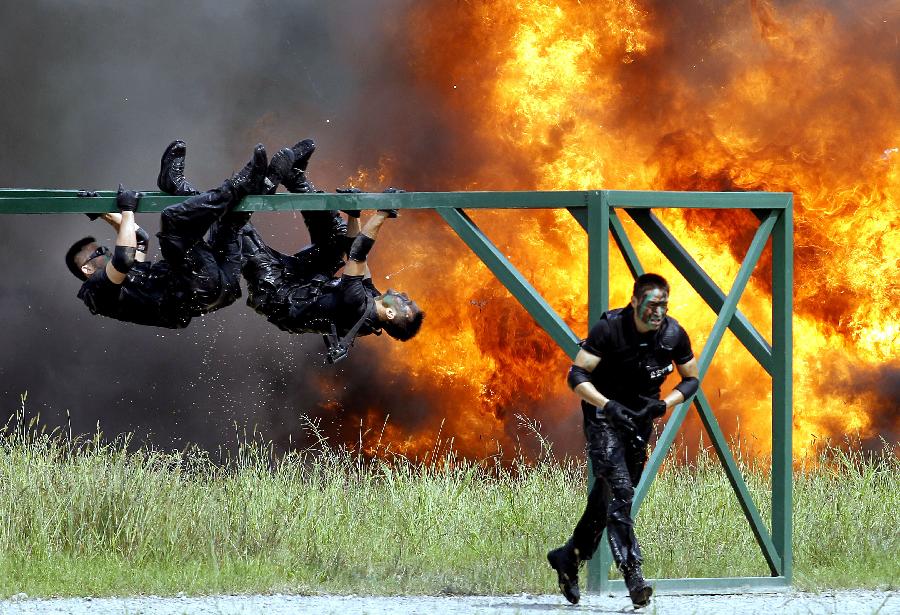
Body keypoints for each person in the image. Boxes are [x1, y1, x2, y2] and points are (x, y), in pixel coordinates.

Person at [547, 273, 700, 607]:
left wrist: (663, 404)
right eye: (652, 305)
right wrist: (607, 405)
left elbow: (691, 379)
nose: (658, 312)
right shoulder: (610, 329)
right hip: (604, 419)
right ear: (634, 302)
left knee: (606, 501)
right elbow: (577, 375)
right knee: (621, 492)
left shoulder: (674, 335)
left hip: (639, 421)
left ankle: (568, 557)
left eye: (663, 305)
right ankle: (634, 577)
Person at [238, 139, 424, 362]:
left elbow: (358, 254)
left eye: (406, 303)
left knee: (235, 227)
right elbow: (353, 251)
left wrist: (383, 212)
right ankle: (294, 178)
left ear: (391, 313)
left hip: (277, 295)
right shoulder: (372, 300)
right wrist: (354, 213)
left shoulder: (356, 306)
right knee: (338, 236)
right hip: (305, 281)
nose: (405, 296)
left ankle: (256, 190)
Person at [65, 141, 269, 328]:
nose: (106, 250)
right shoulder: (98, 291)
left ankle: (267, 178)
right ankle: (235, 184)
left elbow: (139, 238)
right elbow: (124, 257)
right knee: (173, 221)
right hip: (200, 287)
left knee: (228, 223)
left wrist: (103, 212)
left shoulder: (126, 281)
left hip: (220, 287)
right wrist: (127, 210)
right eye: (99, 251)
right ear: (87, 268)